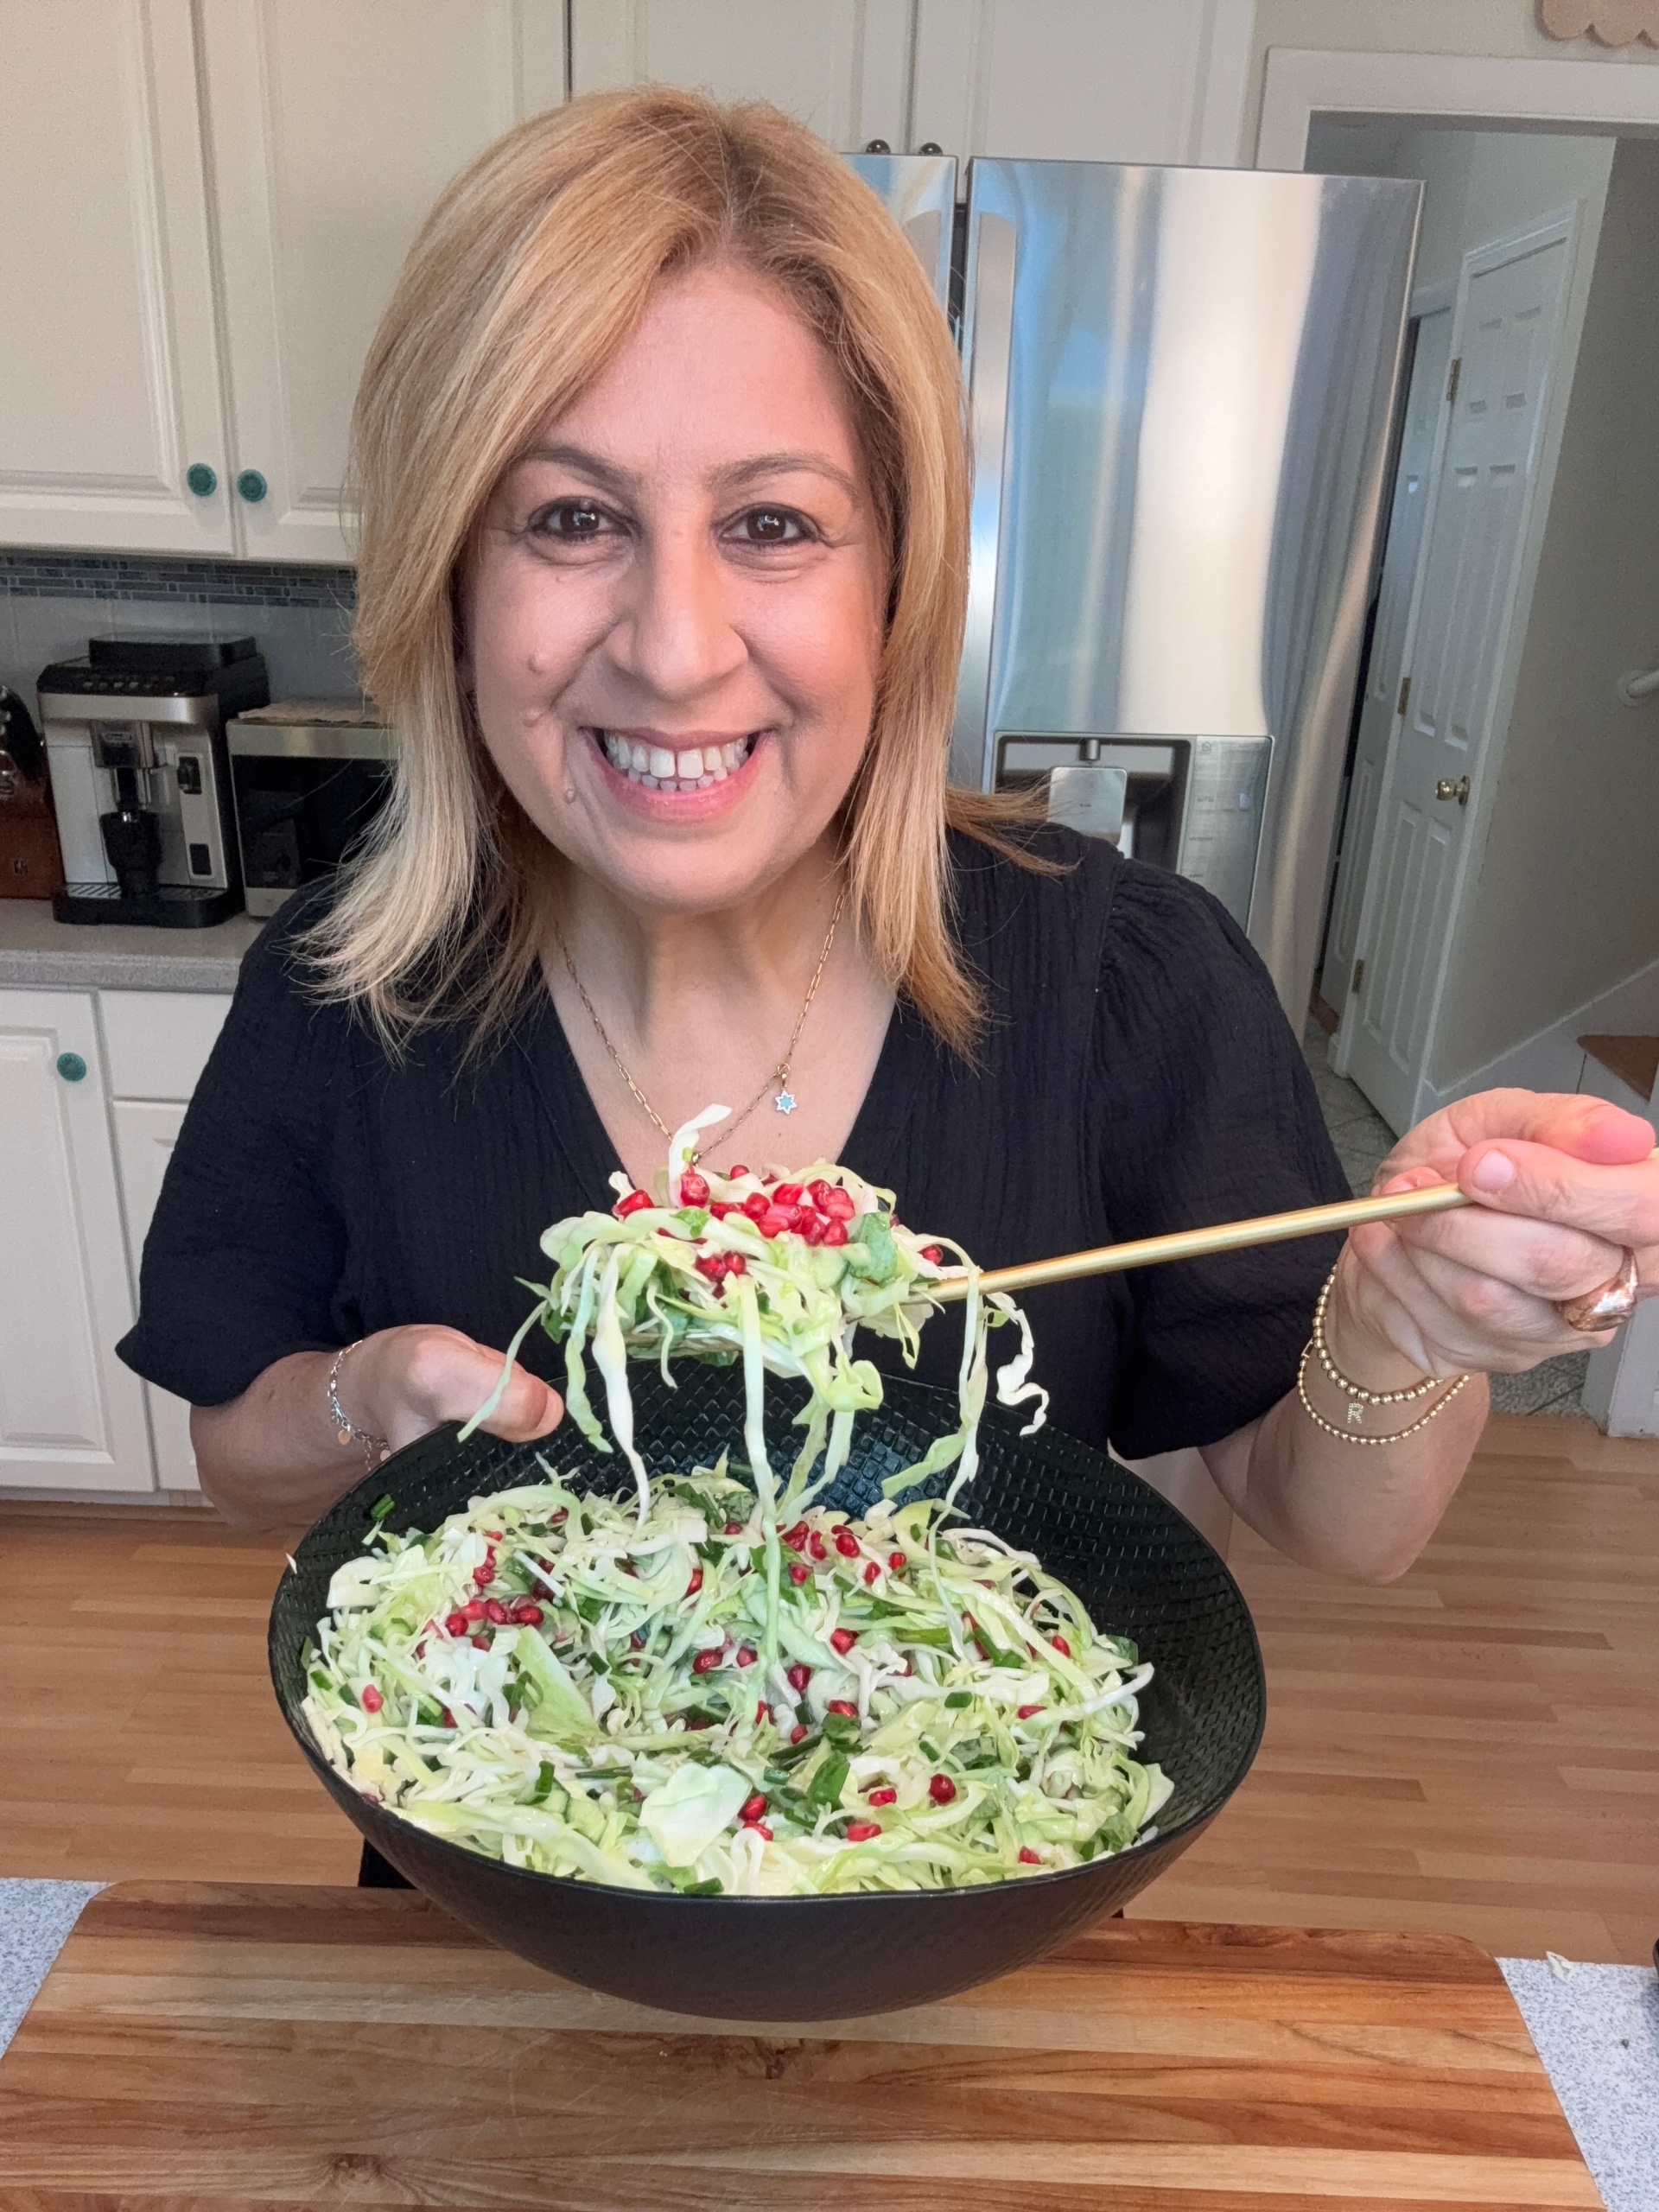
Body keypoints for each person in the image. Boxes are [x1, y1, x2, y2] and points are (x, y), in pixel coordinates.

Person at [122, 87, 1657, 1598]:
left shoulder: (1130, 981)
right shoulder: (335, 996)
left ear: (898, 585)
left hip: (967, 1836)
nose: (674, 649)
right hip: (492, 1836)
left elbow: (1336, 1525)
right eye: (571, 520)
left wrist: (1408, 1323)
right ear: (453, 589)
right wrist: (361, 1402)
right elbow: (237, 1467)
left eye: (773, 525)